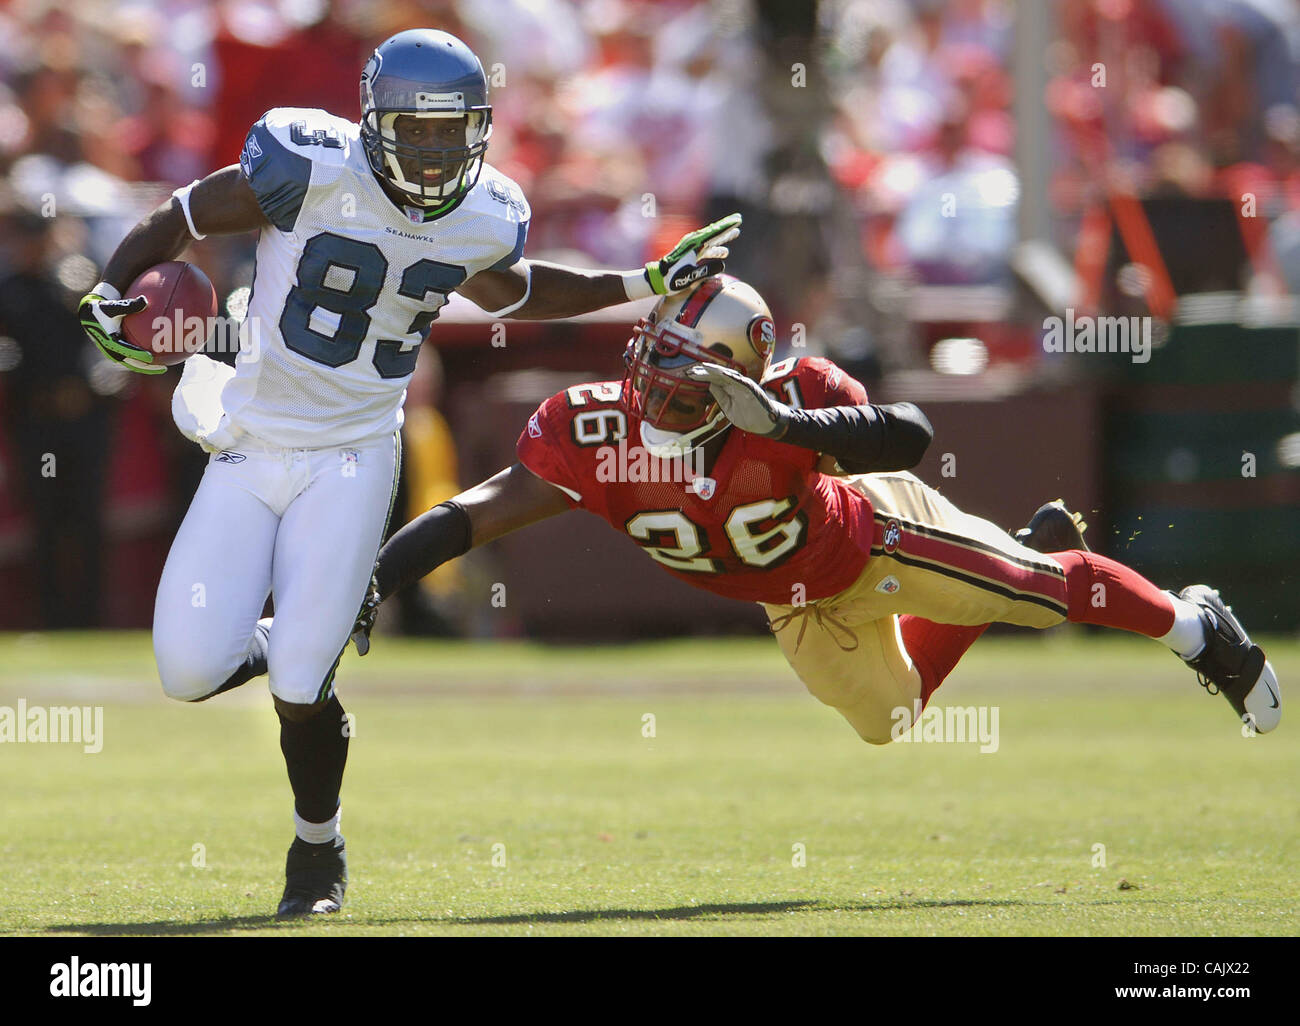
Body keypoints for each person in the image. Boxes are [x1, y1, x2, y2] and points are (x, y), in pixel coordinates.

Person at [77, 28, 742, 919]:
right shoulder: (306, 165)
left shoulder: (484, 214)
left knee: (301, 688)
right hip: (252, 435)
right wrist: (114, 287)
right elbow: (184, 219)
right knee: (187, 669)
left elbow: (520, 291)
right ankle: (298, 625)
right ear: (373, 119)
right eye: (415, 130)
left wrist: (640, 278)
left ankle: (318, 850)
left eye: (451, 131)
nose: (434, 150)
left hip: (354, 451)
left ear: (479, 128)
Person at [358, 273, 1282, 753]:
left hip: (870, 535)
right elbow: (474, 514)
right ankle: (1034, 550)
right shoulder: (593, 430)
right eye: (651, 367)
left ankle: (1197, 628)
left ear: (737, 384)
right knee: (891, 721)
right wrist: (374, 582)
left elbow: (908, 433)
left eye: (683, 386)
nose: (652, 397)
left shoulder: (789, 396)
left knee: (1042, 593)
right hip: (789, 599)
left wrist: (792, 425)